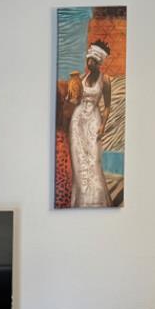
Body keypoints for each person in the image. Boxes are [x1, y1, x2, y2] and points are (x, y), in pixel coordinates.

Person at [68, 40, 112, 207]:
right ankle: (81, 201)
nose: (89, 64)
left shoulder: (105, 80)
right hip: (78, 121)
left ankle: (96, 200)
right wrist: (71, 96)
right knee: (80, 161)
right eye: (88, 61)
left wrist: (103, 126)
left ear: (98, 62)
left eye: (92, 61)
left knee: (93, 160)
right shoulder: (81, 78)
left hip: (94, 120)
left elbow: (107, 106)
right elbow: (74, 100)